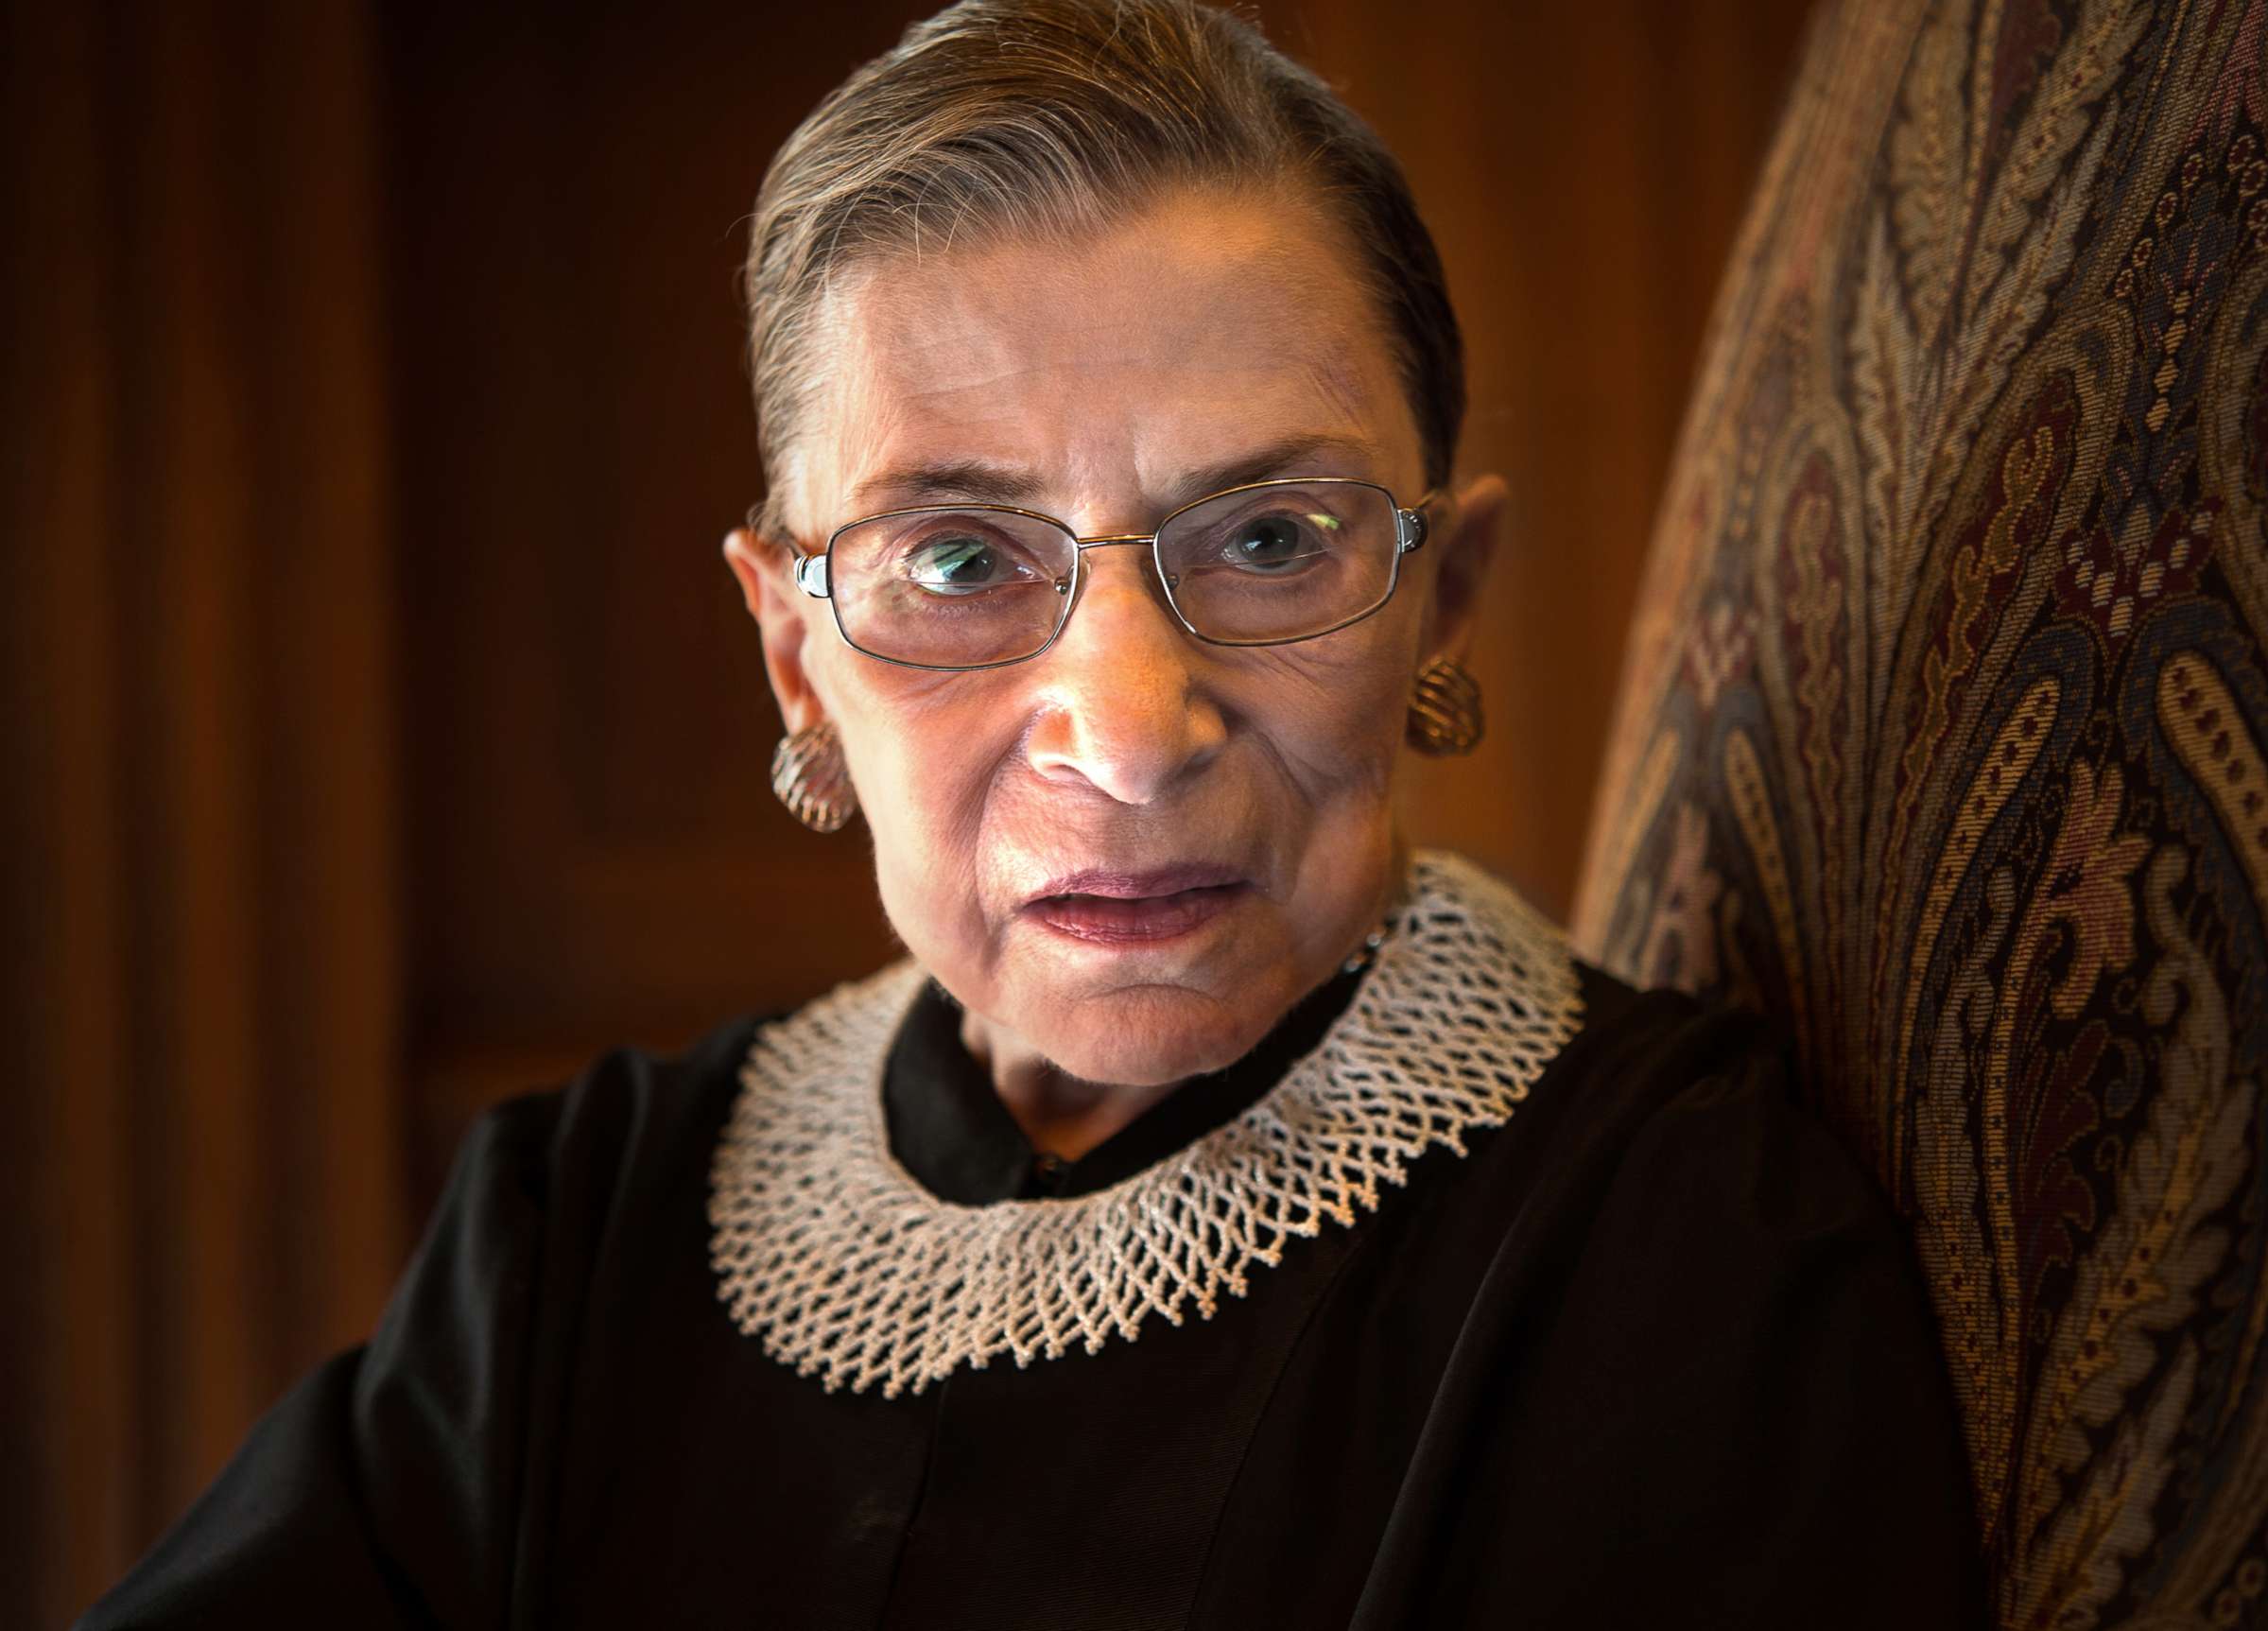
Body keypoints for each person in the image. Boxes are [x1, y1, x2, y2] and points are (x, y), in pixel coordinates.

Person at [82, 1, 1982, 1624]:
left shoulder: (1683, 1257)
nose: (1134, 733)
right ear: (793, 652)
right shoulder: (577, 1233)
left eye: (1266, 536)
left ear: (1440, 597)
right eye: (961, 556)